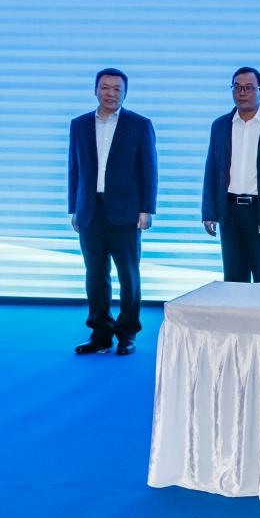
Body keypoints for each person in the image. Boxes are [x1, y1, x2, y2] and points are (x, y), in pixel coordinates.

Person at [68, 68, 158, 356]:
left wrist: (146, 209)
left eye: (117, 89)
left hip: (126, 211)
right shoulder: (79, 124)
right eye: (105, 88)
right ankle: (100, 334)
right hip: (90, 209)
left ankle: (127, 333)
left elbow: (149, 169)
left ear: (125, 92)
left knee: (128, 275)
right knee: (95, 274)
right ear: (95, 90)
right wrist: (74, 207)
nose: (111, 93)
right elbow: (74, 168)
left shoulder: (139, 125)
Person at [201, 67, 260, 283]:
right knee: (233, 277)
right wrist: (209, 211)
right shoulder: (220, 126)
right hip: (230, 210)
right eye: (237, 87)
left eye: (248, 88)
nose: (242, 93)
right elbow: (211, 170)